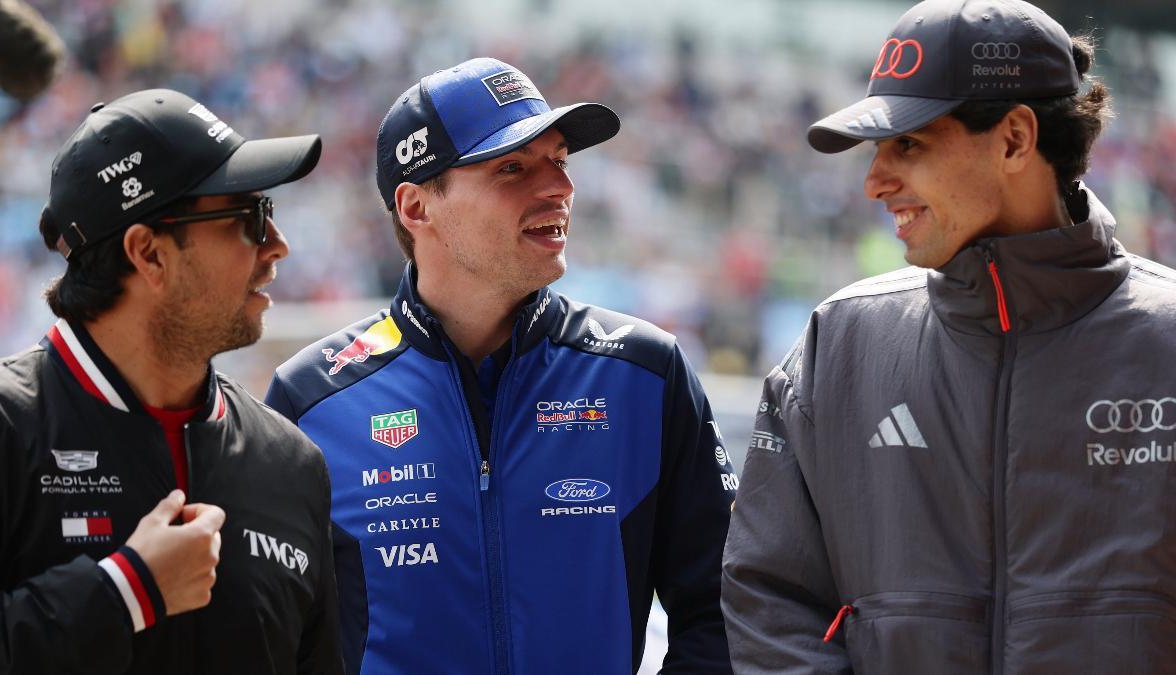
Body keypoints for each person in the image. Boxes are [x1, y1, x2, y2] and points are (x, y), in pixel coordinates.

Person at [722, 0, 1176, 672]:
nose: (874, 182)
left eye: (908, 144)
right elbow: (769, 603)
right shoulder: (837, 346)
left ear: (1015, 139)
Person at [265, 57, 736, 674]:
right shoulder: (311, 400)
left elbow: (725, 608)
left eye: (560, 160)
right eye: (512, 167)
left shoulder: (644, 373)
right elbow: (270, 639)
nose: (559, 188)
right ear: (416, 207)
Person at [0, 89, 342, 674]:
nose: (277, 246)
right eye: (249, 218)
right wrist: (124, 593)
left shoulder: (291, 463)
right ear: (148, 253)